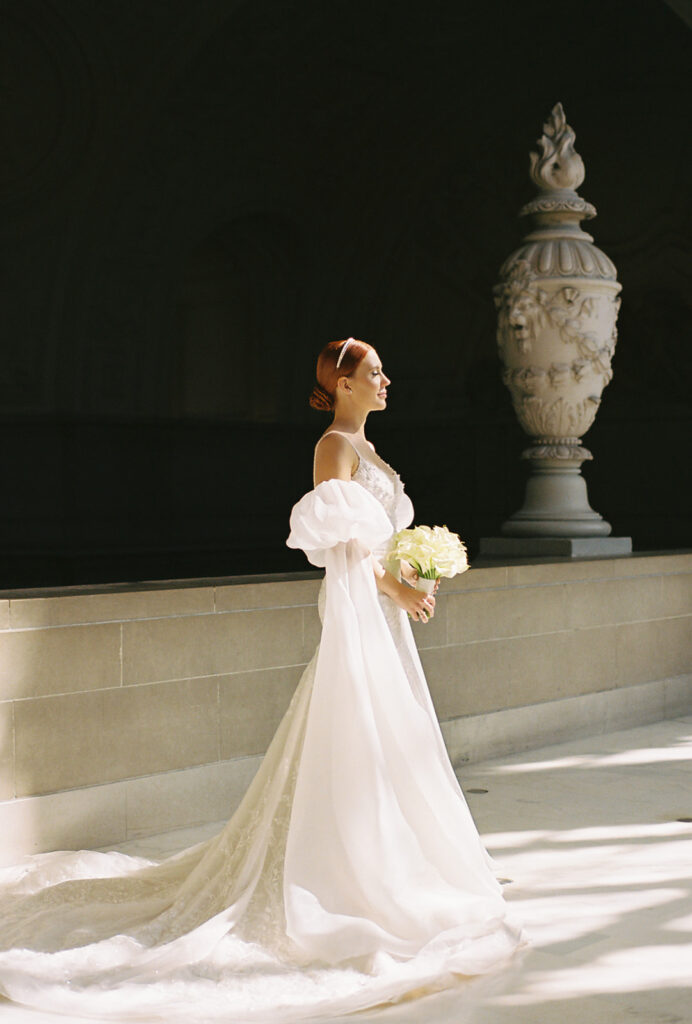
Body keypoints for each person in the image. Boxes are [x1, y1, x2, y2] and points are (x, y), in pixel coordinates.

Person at [0, 339, 523, 1022]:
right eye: (373, 373)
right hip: (361, 613)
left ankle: (399, 861)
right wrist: (395, 585)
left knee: (395, 738)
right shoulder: (333, 447)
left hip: (384, 615)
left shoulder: (368, 452)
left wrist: (414, 571)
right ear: (342, 384)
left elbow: (379, 541)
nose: (386, 379)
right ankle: (347, 878)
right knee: (357, 731)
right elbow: (342, 552)